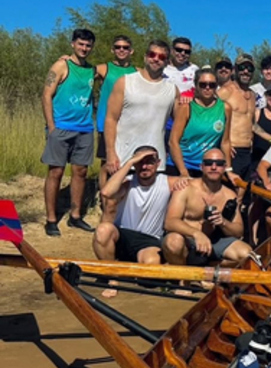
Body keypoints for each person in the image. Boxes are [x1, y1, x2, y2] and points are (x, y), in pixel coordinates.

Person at [40, 28, 97, 236]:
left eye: (88, 45)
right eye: (81, 44)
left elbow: (114, 71)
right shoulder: (61, 66)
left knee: (80, 172)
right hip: (61, 127)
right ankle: (51, 219)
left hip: (84, 129)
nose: (84, 48)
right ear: (73, 43)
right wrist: (51, 127)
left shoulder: (92, 70)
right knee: (56, 172)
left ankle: (75, 216)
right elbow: (46, 94)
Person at [94, 146, 186, 267]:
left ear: (158, 163)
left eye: (149, 162)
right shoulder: (127, 182)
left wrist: (184, 177)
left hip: (149, 240)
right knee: (103, 230)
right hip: (123, 235)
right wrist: (129, 163)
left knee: (151, 263)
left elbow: (196, 185)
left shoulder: (168, 182)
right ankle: (110, 275)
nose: (144, 166)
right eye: (140, 162)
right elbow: (106, 192)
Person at [163, 148, 251, 267]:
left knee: (246, 254)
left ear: (224, 167)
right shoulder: (185, 188)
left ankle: (209, 269)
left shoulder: (229, 195)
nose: (214, 167)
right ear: (201, 167)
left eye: (219, 164)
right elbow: (170, 222)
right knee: (173, 242)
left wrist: (223, 222)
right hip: (187, 239)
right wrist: (196, 234)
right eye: (209, 163)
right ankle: (182, 276)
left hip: (213, 242)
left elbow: (239, 231)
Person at [104, 40, 179, 175]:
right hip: (123, 159)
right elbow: (111, 119)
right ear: (145, 57)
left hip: (155, 163)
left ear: (167, 62)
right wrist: (110, 153)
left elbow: (182, 122)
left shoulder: (172, 90)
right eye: (152, 54)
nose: (156, 59)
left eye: (161, 57)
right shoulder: (125, 82)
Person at [168, 69, 232, 178]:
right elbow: (173, 142)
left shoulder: (225, 108)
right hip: (181, 165)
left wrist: (228, 169)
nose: (207, 88)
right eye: (203, 84)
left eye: (212, 85)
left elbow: (225, 142)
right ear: (196, 85)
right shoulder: (186, 108)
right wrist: (184, 172)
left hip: (207, 166)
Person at [93, 36, 137, 188]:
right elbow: (80, 72)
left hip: (128, 124)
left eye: (125, 47)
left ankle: (121, 192)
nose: (121, 50)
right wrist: (66, 59)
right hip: (106, 123)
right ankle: (104, 193)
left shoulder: (137, 72)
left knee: (126, 160)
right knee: (106, 161)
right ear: (112, 50)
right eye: (118, 47)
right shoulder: (103, 68)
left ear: (131, 51)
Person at [217, 54, 257, 186]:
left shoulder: (252, 95)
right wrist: (222, 143)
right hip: (232, 151)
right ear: (235, 69)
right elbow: (210, 115)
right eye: (242, 67)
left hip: (248, 152)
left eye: (249, 68)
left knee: (243, 193)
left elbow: (252, 125)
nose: (246, 71)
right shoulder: (226, 91)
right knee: (230, 192)